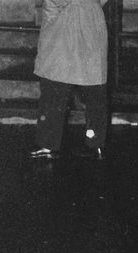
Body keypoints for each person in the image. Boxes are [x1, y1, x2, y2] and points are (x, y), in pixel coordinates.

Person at [29, 0, 109, 160]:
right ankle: (95, 143)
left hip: (67, 23)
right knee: (86, 88)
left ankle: (49, 143)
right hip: (86, 20)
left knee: (56, 85)